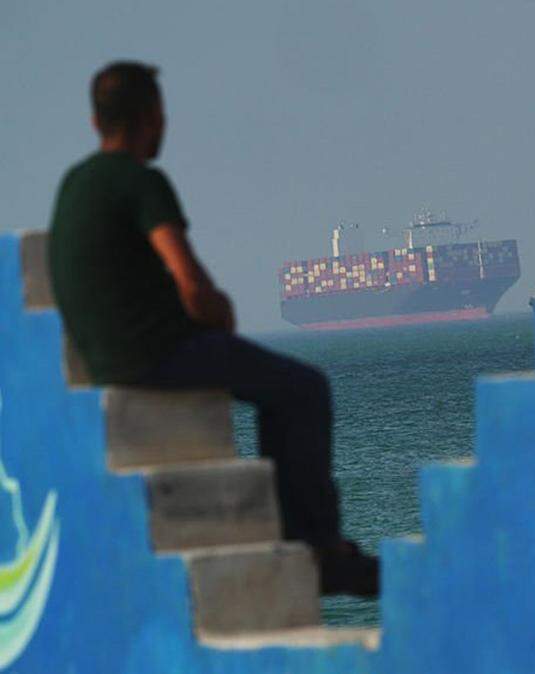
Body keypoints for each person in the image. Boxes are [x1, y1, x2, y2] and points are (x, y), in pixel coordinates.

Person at [48, 61, 378, 597]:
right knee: (302, 388)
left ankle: (304, 537)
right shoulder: (142, 181)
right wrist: (218, 312)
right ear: (153, 117)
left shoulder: (74, 184)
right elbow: (190, 282)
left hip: (105, 357)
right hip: (158, 352)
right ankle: (319, 546)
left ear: (94, 122)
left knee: (276, 387)